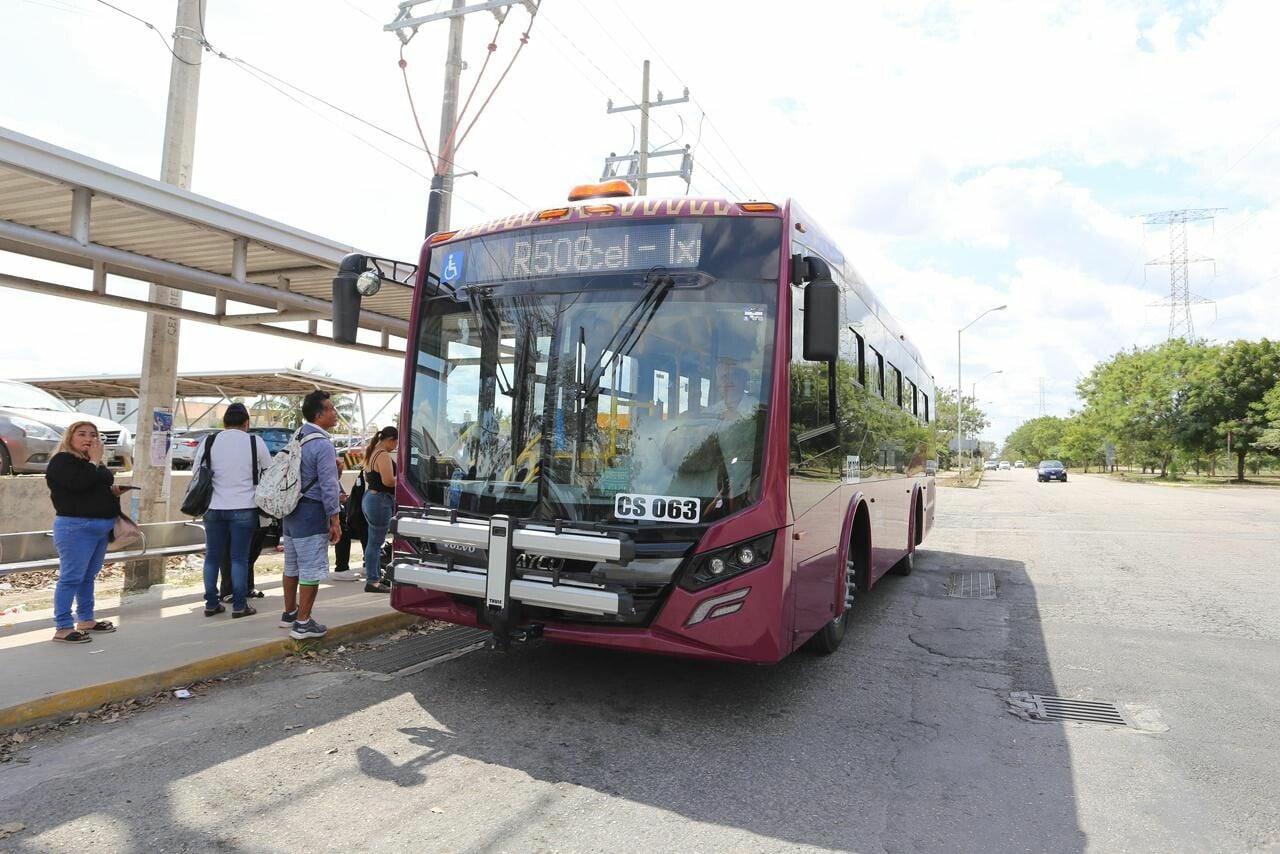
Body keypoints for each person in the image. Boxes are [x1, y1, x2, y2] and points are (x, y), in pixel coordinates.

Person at [45, 421, 128, 643]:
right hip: (76, 528)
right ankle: (62, 627)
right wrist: (93, 460)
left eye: (93, 434)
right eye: (81, 434)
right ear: (69, 438)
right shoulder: (62, 461)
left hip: (100, 528)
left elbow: (95, 485)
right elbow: (77, 484)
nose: (88, 438)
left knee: (88, 577)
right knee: (71, 578)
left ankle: (86, 619)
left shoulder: (93, 463)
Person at [198, 403, 271, 619]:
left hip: (214, 508)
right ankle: (240, 605)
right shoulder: (254, 441)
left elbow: (197, 472)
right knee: (239, 558)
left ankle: (211, 603)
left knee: (212, 556)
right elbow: (270, 471)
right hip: (244, 507)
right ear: (246, 423)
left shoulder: (209, 441)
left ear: (224, 423)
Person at [280, 390, 342, 640]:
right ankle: (303, 623)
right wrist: (335, 519)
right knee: (311, 569)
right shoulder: (323, 444)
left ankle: (289, 614)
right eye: (331, 408)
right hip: (311, 511)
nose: (335, 412)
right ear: (319, 415)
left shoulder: (298, 436)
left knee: (291, 565)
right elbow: (329, 485)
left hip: (291, 509)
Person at [360, 426, 398, 593]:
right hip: (380, 501)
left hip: (370, 498)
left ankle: (375, 576)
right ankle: (373, 581)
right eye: (395, 442)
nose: (396, 446)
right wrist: (403, 479)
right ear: (391, 440)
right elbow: (389, 481)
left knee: (373, 542)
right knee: (376, 543)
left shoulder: (372, 451)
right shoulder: (382, 455)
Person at [332, 453, 367, 581]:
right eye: (338, 472)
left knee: (364, 526)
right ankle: (341, 568)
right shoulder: (327, 480)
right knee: (344, 530)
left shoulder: (334, 480)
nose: (340, 475)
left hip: (338, 512)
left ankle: (368, 564)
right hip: (329, 515)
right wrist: (339, 499)